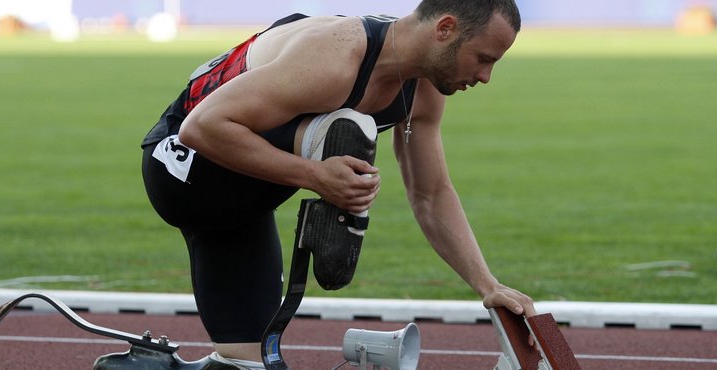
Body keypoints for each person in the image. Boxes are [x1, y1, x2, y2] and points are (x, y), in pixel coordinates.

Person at [140, 0, 536, 368]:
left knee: (247, 361)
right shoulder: (337, 56)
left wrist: (488, 285)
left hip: (245, 203)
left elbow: (430, 193)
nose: (485, 76)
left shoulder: (424, 86)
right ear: (445, 29)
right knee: (346, 129)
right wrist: (317, 177)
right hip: (182, 168)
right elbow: (201, 127)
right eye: (484, 59)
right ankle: (328, 142)